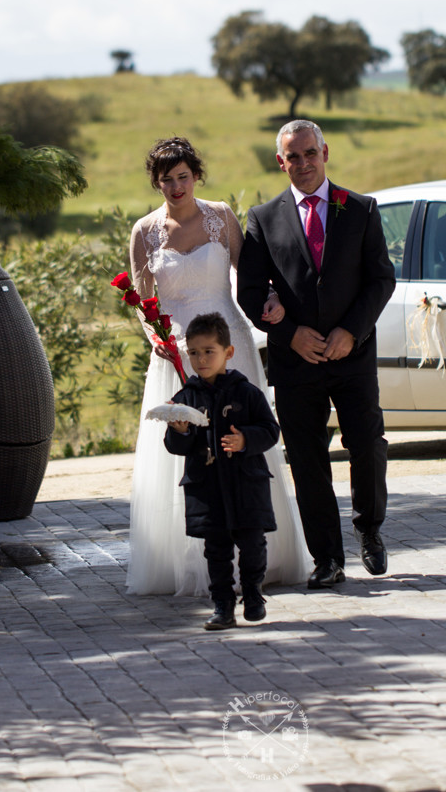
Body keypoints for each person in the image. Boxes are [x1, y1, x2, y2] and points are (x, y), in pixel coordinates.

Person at [126, 136, 311, 596]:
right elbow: (142, 300)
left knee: (242, 440)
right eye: (166, 180)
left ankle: (264, 554)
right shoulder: (144, 232)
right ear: (156, 183)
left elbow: (250, 278)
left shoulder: (221, 217)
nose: (175, 187)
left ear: (196, 176)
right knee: (186, 450)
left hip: (230, 344)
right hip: (176, 354)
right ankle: (187, 563)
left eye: (183, 177)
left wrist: (271, 301)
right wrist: (159, 340)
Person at [237, 120, 396, 589]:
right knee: (307, 460)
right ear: (280, 161)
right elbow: (248, 293)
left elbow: (381, 279)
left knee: (367, 445)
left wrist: (351, 330)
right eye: (293, 157)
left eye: (310, 154)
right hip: (296, 363)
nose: (303, 164)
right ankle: (327, 559)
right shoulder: (262, 219)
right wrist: (289, 334)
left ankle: (369, 529)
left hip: (353, 355)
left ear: (325, 152)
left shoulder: (360, 208)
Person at [165, 312, 279, 630]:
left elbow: (271, 431)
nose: (201, 360)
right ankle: (223, 604)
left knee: (253, 544)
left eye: (209, 351)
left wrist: (246, 440)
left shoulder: (247, 393)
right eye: (194, 353)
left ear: (228, 352)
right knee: (216, 550)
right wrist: (180, 431)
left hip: (246, 485)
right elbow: (175, 446)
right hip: (208, 487)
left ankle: (253, 593)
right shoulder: (185, 399)